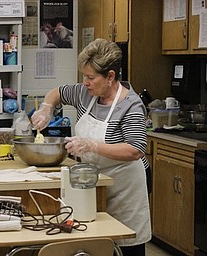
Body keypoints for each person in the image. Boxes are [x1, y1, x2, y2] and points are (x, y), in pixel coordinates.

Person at [31, 38, 151, 256]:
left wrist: (92, 145)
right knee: (95, 245)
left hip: (125, 188)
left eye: (90, 77)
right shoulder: (85, 93)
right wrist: (47, 107)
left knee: (124, 244)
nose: (85, 82)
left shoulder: (130, 105)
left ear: (111, 77)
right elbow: (58, 92)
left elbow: (136, 149)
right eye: (83, 76)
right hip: (92, 184)